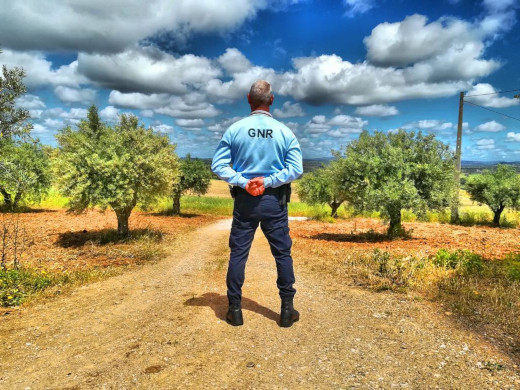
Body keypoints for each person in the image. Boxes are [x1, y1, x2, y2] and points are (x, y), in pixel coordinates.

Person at [211, 80, 304, 328]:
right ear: (271, 100)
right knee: (282, 253)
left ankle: (235, 310)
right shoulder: (285, 132)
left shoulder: (235, 130)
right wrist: (270, 180)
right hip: (275, 201)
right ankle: (286, 310)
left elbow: (218, 165)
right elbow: (296, 169)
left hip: (245, 202)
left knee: (238, 253)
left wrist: (244, 182)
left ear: (248, 99)